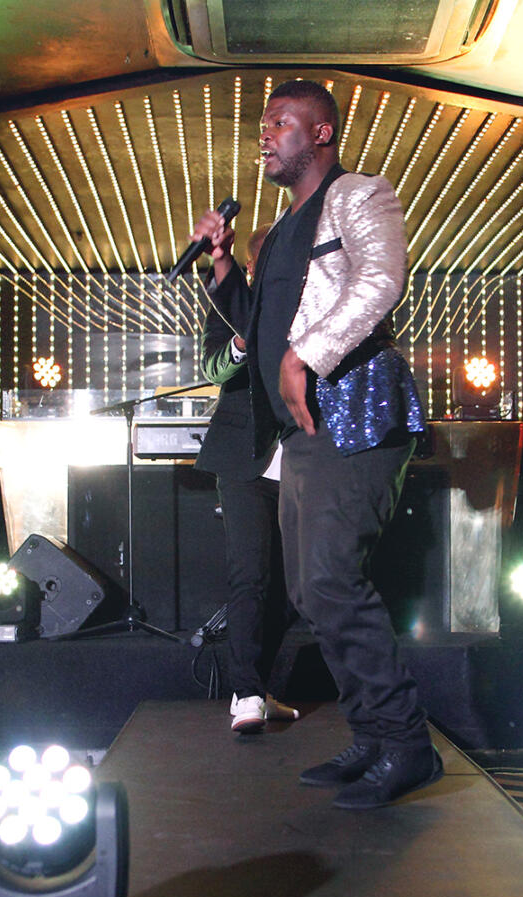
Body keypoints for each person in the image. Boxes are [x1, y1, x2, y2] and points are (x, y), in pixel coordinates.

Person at [191, 80, 434, 809]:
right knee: (306, 590)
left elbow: (383, 279)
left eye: (280, 123)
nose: (265, 135)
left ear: (321, 133)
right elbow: (257, 329)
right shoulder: (277, 233)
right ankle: (373, 736)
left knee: (330, 580)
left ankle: (408, 746)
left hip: (352, 409)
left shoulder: (359, 194)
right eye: (263, 126)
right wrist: (223, 262)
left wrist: (308, 354)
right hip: (299, 430)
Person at [195, 227, 297, 735]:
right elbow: (214, 368)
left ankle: (258, 687)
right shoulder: (232, 307)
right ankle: (247, 693)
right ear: (255, 269)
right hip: (243, 460)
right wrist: (239, 343)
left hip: (300, 461)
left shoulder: (309, 308)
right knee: (250, 576)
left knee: (292, 589)